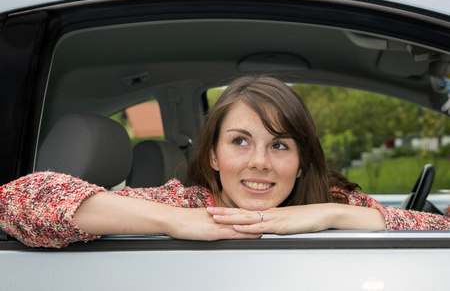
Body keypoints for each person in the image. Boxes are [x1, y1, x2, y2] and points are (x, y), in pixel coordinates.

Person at [1, 75, 449, 248]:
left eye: (280, 145)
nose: (261, 163)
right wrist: (175, 222)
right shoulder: (183, 202)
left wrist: (331, 214)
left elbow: (436, 231)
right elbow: (17, 198)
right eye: (240, 141)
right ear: (213, 155)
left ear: (300, 159)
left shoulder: (328, 197)